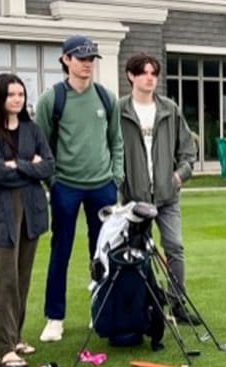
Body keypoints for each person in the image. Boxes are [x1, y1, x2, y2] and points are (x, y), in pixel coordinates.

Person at [35, 35, 124, 342]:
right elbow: (41, 145)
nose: (87, 64)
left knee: (101, 253)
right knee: (61, 251)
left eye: (90, 59)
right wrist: (53, 182)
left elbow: (116, 141)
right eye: (81, 58)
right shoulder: (53, 99)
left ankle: (99, 310)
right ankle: (54, 318)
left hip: (103, 186)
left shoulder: (105, 97)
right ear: (66, 60)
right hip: (66, 187)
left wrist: (116, 177)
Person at [0, 74, 54, 366]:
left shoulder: (32, 130)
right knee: (7, 278)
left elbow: (48, 166)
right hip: (1, 212)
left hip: (30, 210)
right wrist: (28, 167)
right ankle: (4, 347)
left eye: (21, 94)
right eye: (11, 94)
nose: (18, 99)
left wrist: (16, 165)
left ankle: (16, 336)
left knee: (22, 277)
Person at [118, 53, 197, 323]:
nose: (149, 78)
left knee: (174, 247)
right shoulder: (119, 111)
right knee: (136, 253)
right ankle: (146, 306)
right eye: (143, 73)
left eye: (154, 73)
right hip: (133, 199)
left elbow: (188, 149)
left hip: (167, 196)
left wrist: (178, 176)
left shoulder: (169, 109)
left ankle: (177, 305)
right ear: (131, 76)